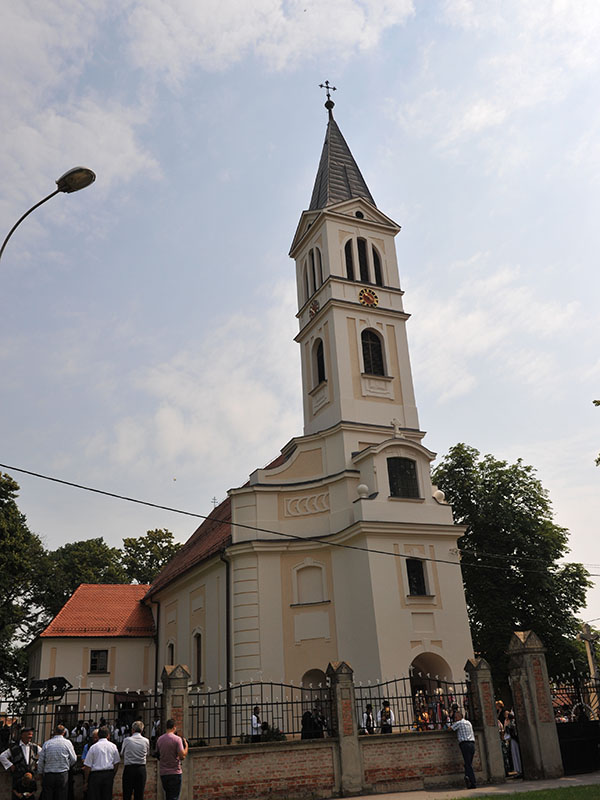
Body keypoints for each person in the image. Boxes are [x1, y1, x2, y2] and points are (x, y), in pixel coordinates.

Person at [37, 725, 76, 800]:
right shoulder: (67, 743)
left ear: (54, 732)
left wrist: (40, 773)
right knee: (61, 795)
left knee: (47, 795)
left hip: (49, 774)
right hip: (62, 773)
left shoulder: (47, 743)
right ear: (64, 732)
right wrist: (67, 765)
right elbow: (73, 759)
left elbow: (41, 760)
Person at [82, 727, 120, 800]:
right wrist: (113, 774)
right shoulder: (113, 746)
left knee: (95, 796)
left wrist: (86, 780)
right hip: (108, 774)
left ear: (98, 735)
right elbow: (116, 763)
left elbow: (87, 766)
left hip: (95, 776)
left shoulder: (93, 747)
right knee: (107, 796)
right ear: (108, 735)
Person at [0, 727, 40, 792]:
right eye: (29, 734)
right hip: (18, 776)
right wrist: (10, 765)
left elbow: (44, 755)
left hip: (30, 777)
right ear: (22, 735)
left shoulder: (35, 747)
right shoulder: (14, 747)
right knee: (17, 794)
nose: (30, 736)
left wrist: (38, 763)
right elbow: (2, 756)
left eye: (31, 734)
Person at [156, 720, 188, 800]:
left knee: (168, 796)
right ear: (174, 727)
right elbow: (182, 756)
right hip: (175, 772)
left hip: (164, 773)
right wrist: (186, 746)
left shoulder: (159, 739)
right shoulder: (177, 739)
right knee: (174, 797)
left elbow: (158, 754)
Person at [121, 722, 149, 800]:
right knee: (139, 794)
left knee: (127, 794)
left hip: (129, 769)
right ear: (142, 730)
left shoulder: (127, 740)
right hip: (141, 769)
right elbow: (147, 753)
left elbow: (122, 753)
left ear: (132, 730)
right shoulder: (146, 741)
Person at [451, 712, 476, 789]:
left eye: (455, 717)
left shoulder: (459, 723)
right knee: (468, 763)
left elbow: (451, 729)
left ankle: (473, 782)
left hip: (465, 744)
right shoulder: (468, 723)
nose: (455, 719)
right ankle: (467, 777)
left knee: (468, 764)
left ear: (459, 717)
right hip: (472, 744)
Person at [504, 712, 522, 777]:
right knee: (517, 755)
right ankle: (519, 770)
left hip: (513, 741)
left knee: (515, 755)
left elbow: (507, 736)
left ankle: (518, 770)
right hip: (516, 740)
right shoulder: (514, 723)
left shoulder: (509, 725)